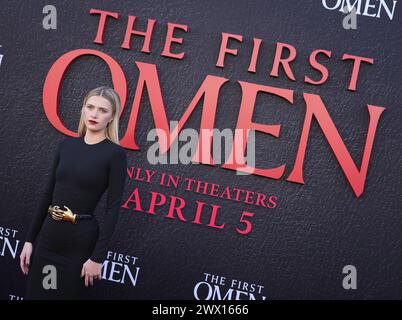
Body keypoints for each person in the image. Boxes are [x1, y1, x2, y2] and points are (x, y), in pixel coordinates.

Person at [19, 86, 128, 299]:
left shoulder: (115, 155)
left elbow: (113, 209)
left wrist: (97, 258)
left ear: (112, 116)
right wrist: (29, 240)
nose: (95, 114)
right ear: (83, 109)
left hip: (79, 247)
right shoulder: (66, 146)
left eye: (103, 110)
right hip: (48, 240)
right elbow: (47, 194)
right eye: (90, 107)